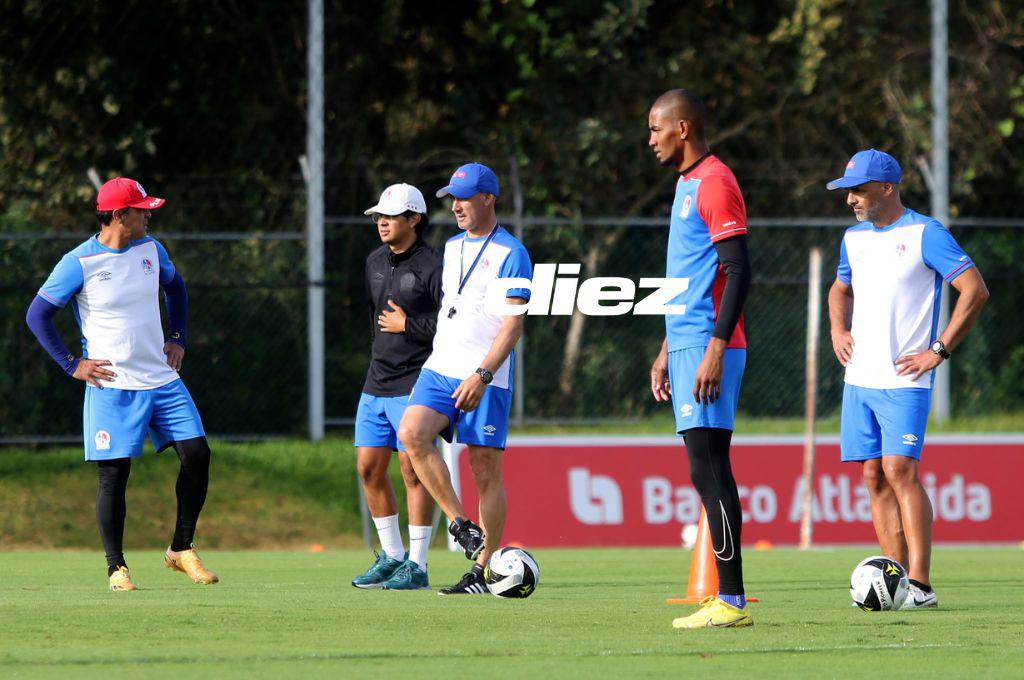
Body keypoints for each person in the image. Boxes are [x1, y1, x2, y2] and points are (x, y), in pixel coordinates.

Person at [25, 177, 218, 591]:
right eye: (141, 210)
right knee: (114, 476)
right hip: (111, 384)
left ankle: (180, 549)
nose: (148, 216)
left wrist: (178, 337)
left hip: (161, 378)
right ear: (118, 215)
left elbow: (176, 289)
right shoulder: (78, 262)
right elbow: (37, 315)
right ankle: (117, 568)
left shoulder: (152, 249)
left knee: (198, 454)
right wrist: (71, 364)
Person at [826, 149, 988, 610]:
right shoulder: (853, 238)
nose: (850, 199)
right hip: (859, 378)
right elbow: (840, 288)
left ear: (887, 188)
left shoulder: (925, 233)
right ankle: (895, 582)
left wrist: (939, 350)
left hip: (905, 379)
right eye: (847, 191)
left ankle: (920, 585)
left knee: (900, 470)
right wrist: (838, 329)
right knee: (873, 475)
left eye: (858, 190)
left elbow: (975, 289)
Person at [397, 162, 532, 596]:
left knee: (483, 469)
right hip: (441, 366)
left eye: (465, 198)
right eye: (452, 198)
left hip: (486, 374)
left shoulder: (512, 252)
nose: (456, 206)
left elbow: (512, 326)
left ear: (488, 198)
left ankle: (482, 570)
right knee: (412, 435)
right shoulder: (452, 246)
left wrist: (482, 374)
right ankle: (461, 525)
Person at [646, 89, 754, 629]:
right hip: (687, 343)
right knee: (703, 470)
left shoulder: (714, 182)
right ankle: (727, 598)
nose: (650, 139)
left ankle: (730, 599)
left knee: (710, 471)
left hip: (710, 347)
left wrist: (713, 347)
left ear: (683, 128)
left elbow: (738, 270)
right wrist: (667, 348)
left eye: (656, 128)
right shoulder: (685, 184)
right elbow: (693, 275)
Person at [351, 183, 442, 591]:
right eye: (378, 217)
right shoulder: (373, 261)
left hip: (416, 380)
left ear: (414, 219)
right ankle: (391, 556)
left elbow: (452, 324)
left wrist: (410, 326)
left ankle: (417, 565)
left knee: (412, 470)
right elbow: (374, 321)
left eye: (390, 216)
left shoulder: (433, 265)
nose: (382, 223)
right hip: (377, 381)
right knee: (368, 468)